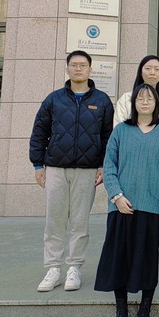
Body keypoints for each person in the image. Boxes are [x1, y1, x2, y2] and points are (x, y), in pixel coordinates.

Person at [95, 83, 159, 317]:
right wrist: (117, 195)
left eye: (149, 98)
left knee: (147, 257)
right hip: (121, 205)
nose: (144, 102)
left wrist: (156, 193)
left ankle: (144, 311)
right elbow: (109, 164)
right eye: (140, 98)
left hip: (152, 207)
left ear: (156, 104)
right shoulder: (121, 130)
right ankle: (121, 313)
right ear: (133, 103)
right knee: (119, 257)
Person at [29, 50, 114, 293]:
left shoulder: (102, 100)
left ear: (90, 69)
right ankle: (53, 268)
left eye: (83, 65)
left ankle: (74, 267)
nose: (78, 69)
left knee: (79, 222)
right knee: (54, 220)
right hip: (55, 168)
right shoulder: (54, 99)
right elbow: (39, 133)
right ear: (67, 69)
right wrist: (38, 165)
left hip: (87, 171)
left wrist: (103, 165)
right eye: (74, 65)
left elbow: (109, 137)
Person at [114, 55, 159, 126]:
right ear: (140, 71)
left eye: (157, 69)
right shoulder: (126, 99)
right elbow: (118, 129)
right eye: (148, 68)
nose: (152, 72)